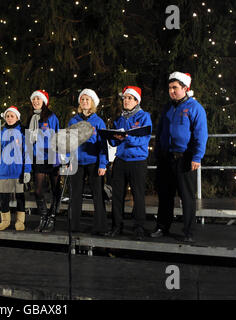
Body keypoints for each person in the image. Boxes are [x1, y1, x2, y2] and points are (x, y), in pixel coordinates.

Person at [151, 72, 208, 243]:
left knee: (186, 196)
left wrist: (197, 157)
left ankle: (188, 231)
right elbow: (160, 131)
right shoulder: (167, 107)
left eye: (175, 88)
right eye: (169, 88)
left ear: (185, 88)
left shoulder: (195, 107)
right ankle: (162, 226)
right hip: (166, 158)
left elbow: (201, 134)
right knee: (165, 194)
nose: (171, 91)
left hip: (185, 158)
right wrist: (157, 152)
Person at [107, 86, 152, 240]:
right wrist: (110, 137)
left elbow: (144, 139)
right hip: (120, 160)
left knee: (138, 195)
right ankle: (116, 226)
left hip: (137, 161)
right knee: (117, 195)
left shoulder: (144, 117)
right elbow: (114, 142)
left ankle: (139, 227)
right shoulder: (120, 118)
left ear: (136, 100)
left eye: (129, 98)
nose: (126, 100)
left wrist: (126, 137)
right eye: (124, 98)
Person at [67, 89, 109, 235]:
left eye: (87, 99)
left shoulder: (98, 121)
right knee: (76, 194)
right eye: (82, 99)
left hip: (93, 162)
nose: (84, 102)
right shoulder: (73, 121)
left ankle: (100, 226)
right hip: (77, 162)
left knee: (97, 194)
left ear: (92, 102)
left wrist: (103, 164)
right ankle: (75, 225)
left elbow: (103, 145)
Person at [0, 106, 32, 231]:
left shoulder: (23, 132)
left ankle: (20, 221)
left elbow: (27, 153)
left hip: (18, 171)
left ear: (17, 117)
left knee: (20, 197)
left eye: (12, 116)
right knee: (4, 198)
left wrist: (27, 170)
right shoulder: (0, 133)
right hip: (4, 171)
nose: (9, 118)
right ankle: (5, 221)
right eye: (7, 116)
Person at [28, 90, 61, 233]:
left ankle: (52, 218)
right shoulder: (31, 118)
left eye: (38, 99)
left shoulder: (52, 117)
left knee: (55, 189)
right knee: (38, 190)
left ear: (43, 101)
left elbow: (57, 136)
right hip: (38, 157)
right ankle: (43, 216)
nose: (35, 101)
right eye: (33, 99)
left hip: (52, 156)